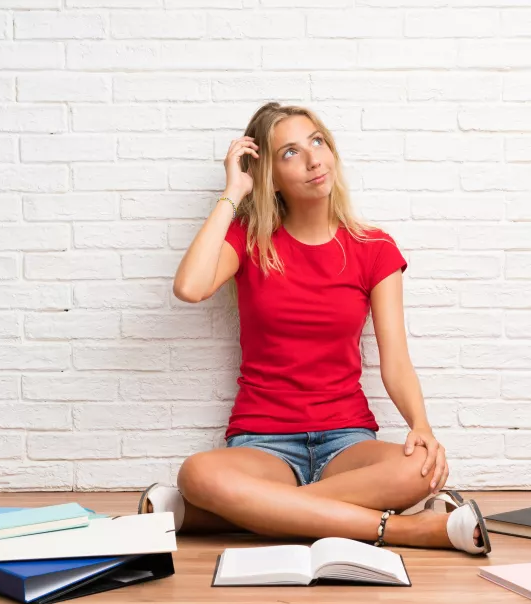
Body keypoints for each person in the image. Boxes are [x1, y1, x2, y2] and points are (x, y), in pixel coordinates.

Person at [139, 102, 490, 555]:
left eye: (317, 142)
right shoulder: (250, 240)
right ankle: (411, 532)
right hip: (262, 442)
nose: (312, 160)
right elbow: (189, 287)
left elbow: (395, 360)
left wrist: (420, 424)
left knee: (420, 467)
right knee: (197, 475)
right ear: (270, 176)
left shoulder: (374, 248)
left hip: (346, 440)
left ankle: (228, 516)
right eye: (289, 153)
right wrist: (234, 190)